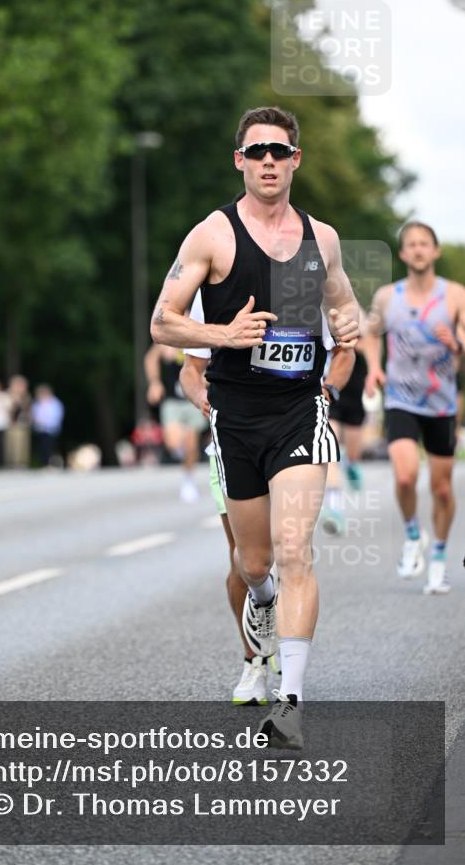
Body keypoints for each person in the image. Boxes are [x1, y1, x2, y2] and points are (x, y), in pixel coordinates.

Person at [150, 105, 359, 747]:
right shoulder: (210, 236)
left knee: (296, 553)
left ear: (296, 160)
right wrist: (224, 334)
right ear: (239, 161)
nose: (269, 160)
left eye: (280, 151)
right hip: (235, 416)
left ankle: (290, 702)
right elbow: (163, 321)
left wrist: (350, 329)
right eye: (257, 151)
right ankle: (259, 630)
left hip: (298, 409)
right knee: (254, 563)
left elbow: (344, 308)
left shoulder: (321, 238)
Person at [181, 293, 354, 705]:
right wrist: (201, 400)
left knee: (293, 551)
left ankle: (287, 691)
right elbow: (191, 370)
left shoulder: (308, 283)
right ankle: (255, 659)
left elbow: (345, 352)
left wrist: (328, 389)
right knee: (247, 561)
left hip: (293, 429)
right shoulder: (214, 289)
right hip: (233, 438)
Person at [364, 221, 465, 594]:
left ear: (435, 251)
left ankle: (438, 557)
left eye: (425, 244)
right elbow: (370, 334)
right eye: (412, 244)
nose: (419, 250)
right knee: (405, 476)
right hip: (401, 398)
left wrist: (455, 342)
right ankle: (412, 535)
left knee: (441, 488)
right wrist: (374, 367)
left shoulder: (454, 294)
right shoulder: (389, 297)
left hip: (440, 402)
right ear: (403, 254)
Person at [144, 343, 209, 502]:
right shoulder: (171, 333)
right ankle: (182, 454)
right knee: (173, 442)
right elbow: (151, 358)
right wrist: (154, 382)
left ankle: (188, 479)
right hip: (173, 400)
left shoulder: (200, 327)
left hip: (193, 398)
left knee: (191, 442)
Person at [320, 341, 368, 535]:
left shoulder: (358, 318)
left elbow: (371, 344)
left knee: (354, 453)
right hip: (328, 392)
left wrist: (374, 371)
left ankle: (350, 462)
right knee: (330, 450)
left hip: (354, 396)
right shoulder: (315, 315)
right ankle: (334, 509)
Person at [32, 384, 65, 467]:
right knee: (42, 448)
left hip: (51, 429)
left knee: (50, 447)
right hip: (40, 430)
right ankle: (44, 463)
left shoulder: (55, 403)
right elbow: (34, 415)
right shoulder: (37, 404)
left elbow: (56, 416)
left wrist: (45, 422)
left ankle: (53, 463)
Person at [5, 375, 32, 468]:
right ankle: (11, 462)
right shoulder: (7, 395)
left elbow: (27, 410)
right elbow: (7, 410)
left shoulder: (26, 396)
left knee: (23, 444)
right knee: (11, 444)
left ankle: (22, 462)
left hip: (22, 423)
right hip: (11, 424)